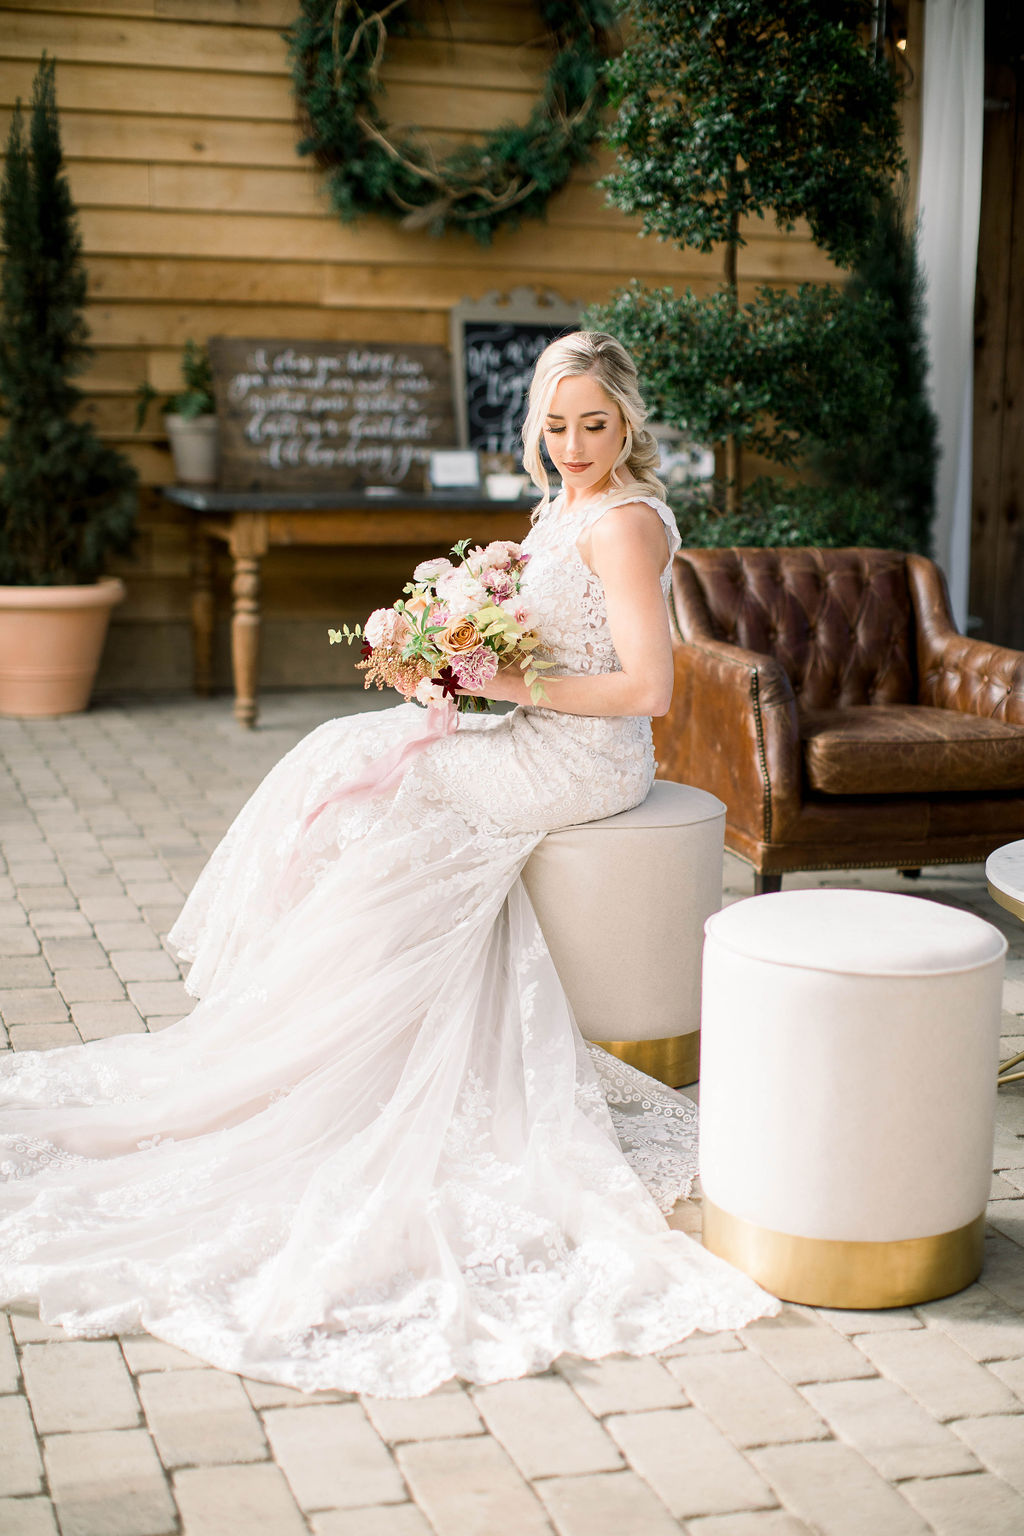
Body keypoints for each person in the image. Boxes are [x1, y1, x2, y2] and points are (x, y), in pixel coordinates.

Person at [0, 332, 776, 1398]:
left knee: (389, 788)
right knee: (350, 760)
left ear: (629, 421)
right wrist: (449, 660)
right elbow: (533, 640)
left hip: (586, 759)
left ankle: (339, 1031)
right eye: (555, 426)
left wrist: (500, 686)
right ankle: (323, 1021)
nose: (573, 445)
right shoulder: (556, 509)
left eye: (594, 424)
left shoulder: (627, 524)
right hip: (535, 730)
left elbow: (647, 691)